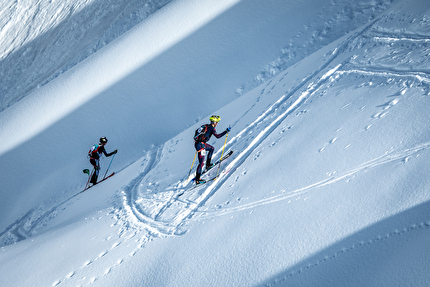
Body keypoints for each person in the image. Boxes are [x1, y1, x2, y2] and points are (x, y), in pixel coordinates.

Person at [194, 115, 231, 185]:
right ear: (215, 122)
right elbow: (218, 136)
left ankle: (208, 165)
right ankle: (197, 180)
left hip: (199, 144)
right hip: (200, 146)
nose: (217, 124)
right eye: (217, 122)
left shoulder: (206, 126)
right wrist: (226, 131)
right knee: (201, 163)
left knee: (211, 148)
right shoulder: (212, 128)